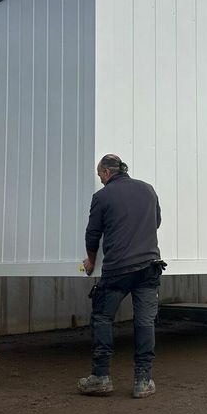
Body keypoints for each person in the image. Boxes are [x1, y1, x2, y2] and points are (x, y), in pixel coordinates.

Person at [79, 154, 164, 399]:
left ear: (106, 172)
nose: (100, 180)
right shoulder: (148, 190)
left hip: (118, 270)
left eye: (99, 175)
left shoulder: (102, 197)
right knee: (145, 322)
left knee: (103, 317)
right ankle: (143, 380)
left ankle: (101, 377)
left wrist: (91, 260)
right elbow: (156, 222)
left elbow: (92, 234)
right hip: (149, 267)